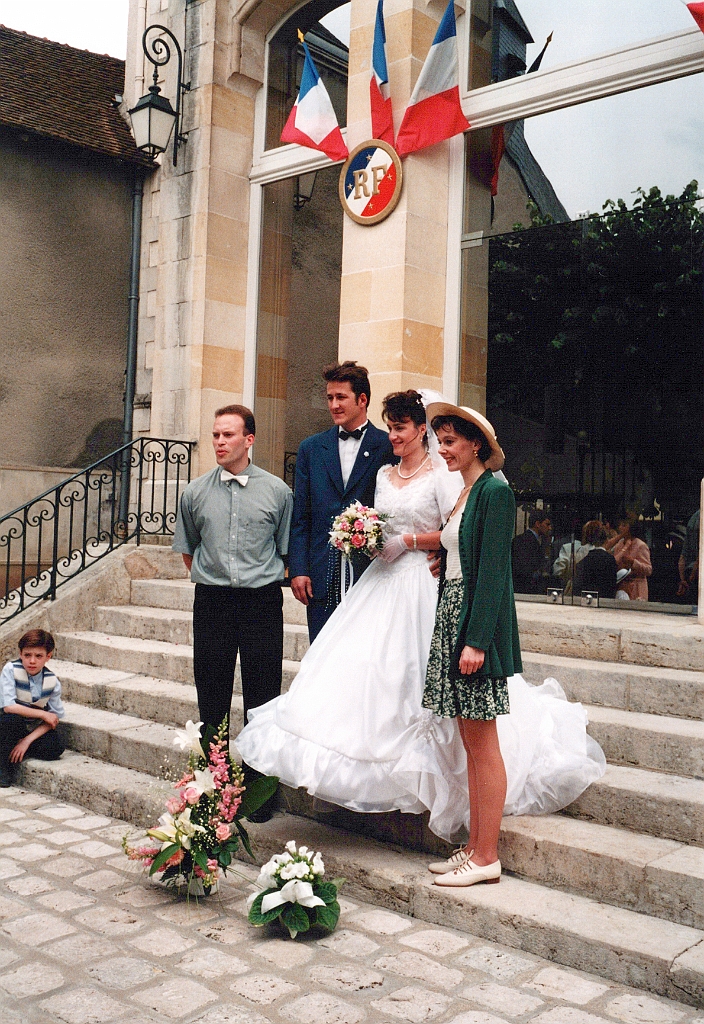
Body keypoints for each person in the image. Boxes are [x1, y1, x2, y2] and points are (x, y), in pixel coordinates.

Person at [236, 390, 605, 846]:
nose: (391, 435)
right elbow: (421, 526)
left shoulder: (455, 477)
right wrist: (368, 539)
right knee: (370, 672)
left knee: (419, 677)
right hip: (382, 580)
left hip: (427, 586)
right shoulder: (386, 473)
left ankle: (447, 804)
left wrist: (414, 543)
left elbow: (457, 530)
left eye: (400, 428)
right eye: (389, 427)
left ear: (422, 432)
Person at [173, 404, 293, 821]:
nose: (220, 443)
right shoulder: (195, 493)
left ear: (249, 439)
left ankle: (260, 790)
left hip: (261, 601)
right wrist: (217, 578)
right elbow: (189, 552)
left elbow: (285, 550)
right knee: (212, 695)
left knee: (262, 695)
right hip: (213, 602)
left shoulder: (278, 492)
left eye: (228, 435)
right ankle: (215, 787)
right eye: (216, 435)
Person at [288, 361, 393, 642]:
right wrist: (298, 569)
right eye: (330, 398)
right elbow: (301, 515)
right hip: (320, 576)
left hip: (372, 574)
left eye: (341, 397)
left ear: (362, 400)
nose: (333, 405)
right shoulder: (310, 448)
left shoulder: (388, 446)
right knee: (321, 656)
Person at [0, 629, 64, 787]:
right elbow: (9, 707)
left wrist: (27, 741)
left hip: (28, 727)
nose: (32, 661)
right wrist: (42, 714)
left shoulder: (52, 682)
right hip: (7, 721)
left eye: (38, 656)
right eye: (27, 655)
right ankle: (3, 768)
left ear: (48, 656)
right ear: (20, 654)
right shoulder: (11, 669)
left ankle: (18, 746)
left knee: (55, 747)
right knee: (10, 720)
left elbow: (53, 718)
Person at [605, 514, 652, 601]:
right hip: (621, 587)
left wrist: (633, 563)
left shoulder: (640, 545)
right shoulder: (619, 544)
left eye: (624, 525)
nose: (620, 528)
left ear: (631, 528)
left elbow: (648, 570)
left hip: (637, 588)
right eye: (620, 525)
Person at [573, 521, 617, 599]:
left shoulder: (583, 561)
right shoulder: (610, 559)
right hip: (605, 603)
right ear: (606, 540)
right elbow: (612, 587)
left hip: (586, 601)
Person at [512, 511, 552, 594]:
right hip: (526, 589)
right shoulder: (526, 541)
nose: (549, 528)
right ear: (537, 524)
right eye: (547, 524)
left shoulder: (524, 539)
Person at [677, 509, 700, 601]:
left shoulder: (693, 519)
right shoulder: (697, 518)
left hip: (693, 572)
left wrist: (683, 580)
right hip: (695, 573)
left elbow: (682, 556)